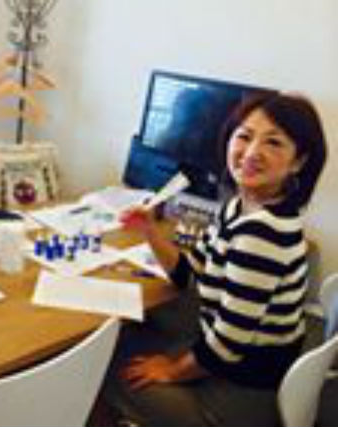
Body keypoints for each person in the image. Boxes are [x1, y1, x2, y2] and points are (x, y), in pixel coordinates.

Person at [111, 92, 327, 426]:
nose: (251, 152)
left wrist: (172, 370)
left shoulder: (261, 235)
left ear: (298, 161)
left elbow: (227, 345)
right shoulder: (240, 207)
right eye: (244, 136)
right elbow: (191, 274)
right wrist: (150, 231)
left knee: (104, 367)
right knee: (132, 336)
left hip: (240, 393)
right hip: (234, 362)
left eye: (273, 142)